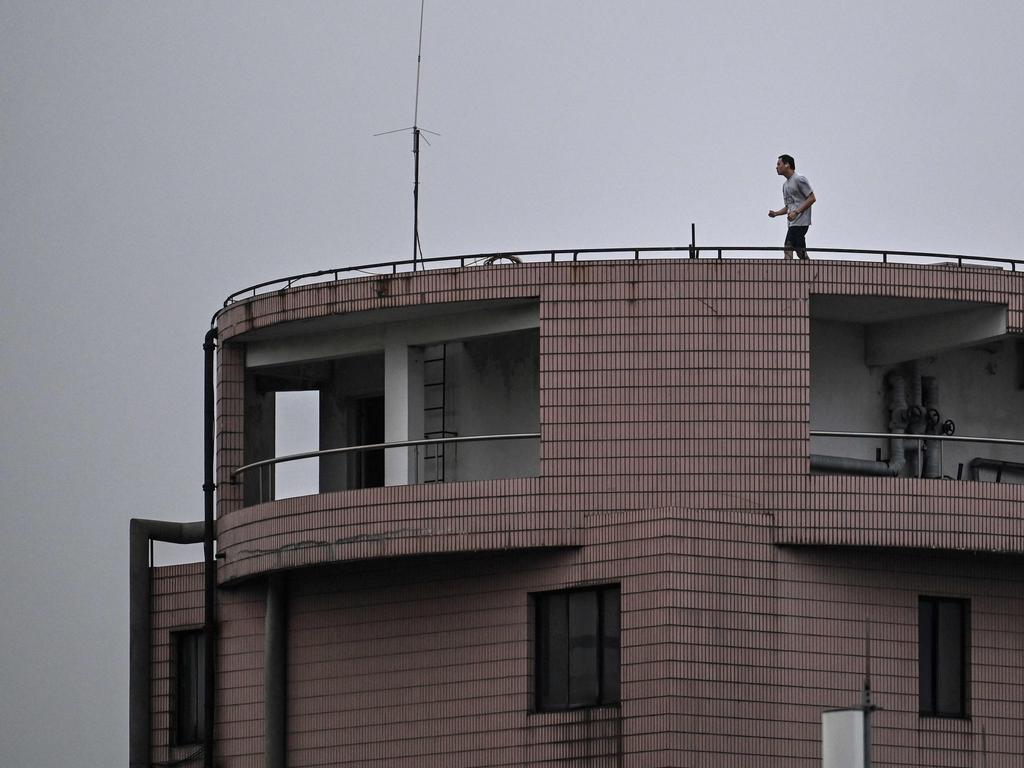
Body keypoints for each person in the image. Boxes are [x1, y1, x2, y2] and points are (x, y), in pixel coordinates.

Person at [768, 154, 816, 260]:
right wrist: (776, 213)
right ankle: (808, 270)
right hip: (792, 223)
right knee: (800, 251)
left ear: (787, 165)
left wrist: (796, 212)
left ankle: (788, 273)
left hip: (801, 222)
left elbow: (812, 198)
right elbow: (788, 207)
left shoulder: (799, 179)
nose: (776, 167)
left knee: (788, 246)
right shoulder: (785, 185)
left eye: (778, 164)